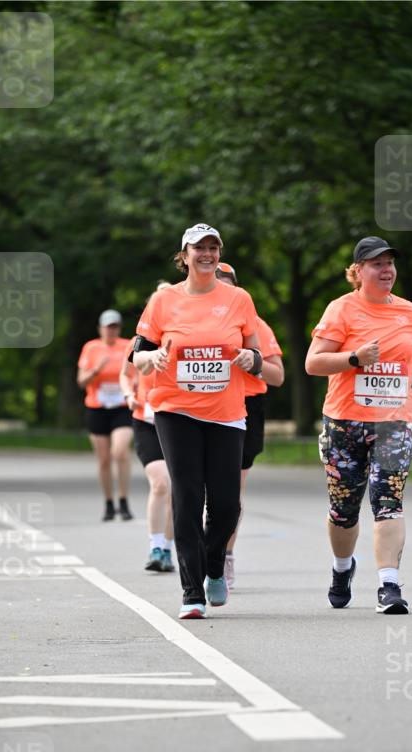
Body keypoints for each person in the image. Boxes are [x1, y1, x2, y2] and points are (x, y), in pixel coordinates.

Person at [305, 236, 412, 614]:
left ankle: (389, 586)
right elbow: (313, 362)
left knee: (388, 502)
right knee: (343, 511)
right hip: (345, 422)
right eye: (377, 264)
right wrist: (354, 359)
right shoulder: (341, 309)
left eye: (390, 263)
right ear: (358, 271)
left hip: (395, 422)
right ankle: (342, 568)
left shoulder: (408, 310)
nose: (387, 270)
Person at [132, 223, 261, 619]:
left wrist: (249, 359)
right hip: (176, 410)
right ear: (184, 256)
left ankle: (214, 564)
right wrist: (153, 357)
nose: (207, 254)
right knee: (187, 496)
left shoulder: (238, 299)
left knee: (226, 504)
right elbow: (137, 355)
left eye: (213, 248)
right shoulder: (164, 300)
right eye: (199, 248)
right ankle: (192, 592)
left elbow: (257, 355)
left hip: (226, 413)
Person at [215, 262, 284, 588]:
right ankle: (204, 552)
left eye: (227, 284)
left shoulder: (256, 325)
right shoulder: (191, 320)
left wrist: (253, 361)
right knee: (203, 490)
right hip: (205, 406)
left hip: (246, 407)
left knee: (230, 491)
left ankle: (224, 554)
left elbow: (278, 376)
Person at [120, 283, 175, 573]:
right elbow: (125, 373)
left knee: (177, 488)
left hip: (177, 419)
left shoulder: (184, 335)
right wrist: (128, 395)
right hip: (146, 421)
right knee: (161, 483)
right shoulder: (138, 341)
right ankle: (155, 547)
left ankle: (168, 548)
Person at [77, 309, 134, 521]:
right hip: (97, 407)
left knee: (120, 451)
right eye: (108, 327)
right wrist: (96, 370)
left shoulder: (127, 345)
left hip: (122, 407)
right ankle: (109, 503)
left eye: (115, 327)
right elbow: (81, 382)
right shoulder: (91, 348)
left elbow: (137, 373)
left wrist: (135, 384)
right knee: (103, 460)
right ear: (100, 329)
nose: (111, 331)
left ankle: (124, 501)